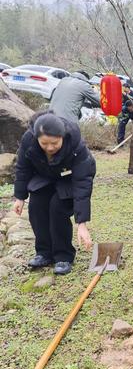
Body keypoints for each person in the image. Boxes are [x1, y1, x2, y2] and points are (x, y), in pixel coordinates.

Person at [13, 112, 96, 275]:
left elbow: (82, 183)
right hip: (44, 176)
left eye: (54, 143)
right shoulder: (28, 141)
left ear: (62, 137)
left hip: (68, 178)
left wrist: (82, 223)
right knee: (37, 206)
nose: (50, 147)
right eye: (44, 143)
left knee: (57, 208)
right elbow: (23, 168)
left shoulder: (76, 145)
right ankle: (44, 253)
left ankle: (63, 256)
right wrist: (20, 197)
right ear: (36, 138)